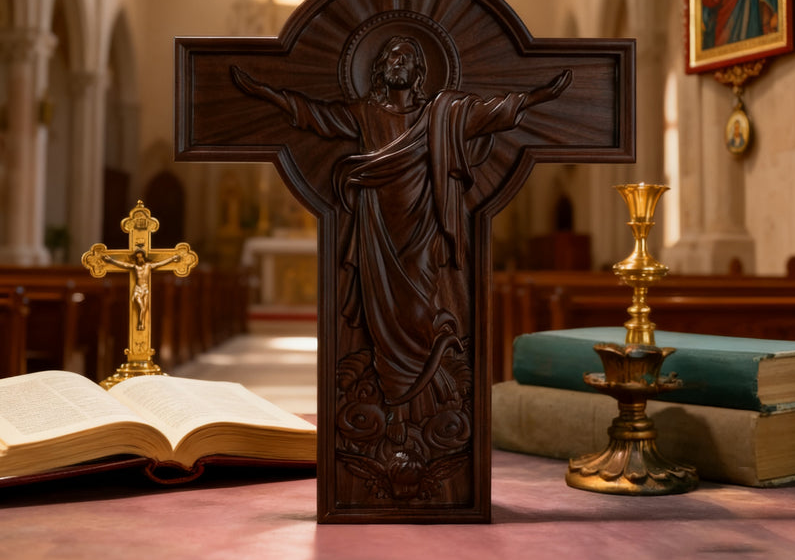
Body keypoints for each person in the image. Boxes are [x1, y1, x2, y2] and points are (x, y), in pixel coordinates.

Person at [231, 36, 572, 444]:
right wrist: (263, 93)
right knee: (382, 317)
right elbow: (315, 116)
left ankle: (424, 399)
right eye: (390, 56)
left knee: (419, 310)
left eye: (406, 57)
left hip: (422, 231)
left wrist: (539, 96)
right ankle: (394, 409)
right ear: (378, 68)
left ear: (418, 71)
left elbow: (490, 114)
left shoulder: (442, 114)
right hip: (376, 234)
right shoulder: (364, 113)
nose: (397, 62)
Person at [103, 248, 180, 331]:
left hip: (145, 289)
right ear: (136, 259)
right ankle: (140, 323)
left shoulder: (149, 266)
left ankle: (141, 323)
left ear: (144, 257)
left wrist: (172, 259)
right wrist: (111, 260)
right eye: (138, 258)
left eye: (141, 257)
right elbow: (124, 265)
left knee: (144, 308)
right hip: (138, 290)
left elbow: (160, 263)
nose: (140, 259)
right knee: (141, 307)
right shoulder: (135, 267)